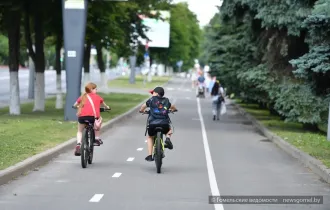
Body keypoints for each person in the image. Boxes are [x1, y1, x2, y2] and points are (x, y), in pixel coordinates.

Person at [139, 87, 177, 161]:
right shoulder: (166, 100)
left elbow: (143, 106)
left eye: (152, 93)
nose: (152, 94)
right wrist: (173, 110)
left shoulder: (151, 100)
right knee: (168, 130)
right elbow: (172, 106)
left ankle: (150, 155)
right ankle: (168, 139)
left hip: (153, 123)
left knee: (150, 137)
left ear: (156, 93)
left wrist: (142, 111)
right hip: (164, 123)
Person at [72, 82, 110, 156]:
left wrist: (77, 107)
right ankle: (96, 138)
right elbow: (105, 105)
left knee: (79, 131)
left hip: (82, 117)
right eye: (95, 89)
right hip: (93, 118)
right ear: (91, 89)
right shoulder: (97, 97)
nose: (97, 90)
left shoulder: (82, 97)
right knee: (100, 119)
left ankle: (78, 144)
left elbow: (74, 105)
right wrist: (107, 108)